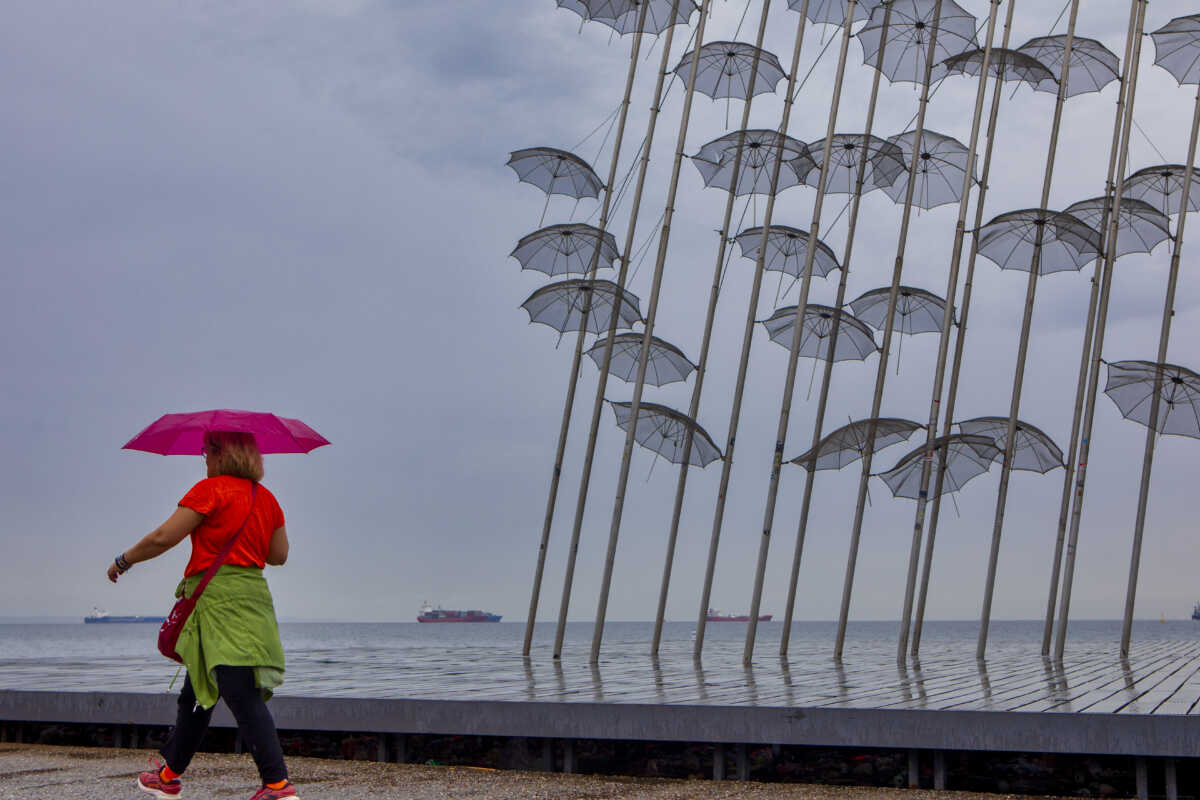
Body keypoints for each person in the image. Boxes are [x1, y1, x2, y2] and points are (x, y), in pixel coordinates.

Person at [107, 430, 299, 800]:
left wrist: (123, 560)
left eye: (207, 452)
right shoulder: (267, 498)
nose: (204, 459)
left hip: (216, 601)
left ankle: (277, 785)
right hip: (253, 598)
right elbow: (278, 555)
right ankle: (168, 775)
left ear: (220, 454)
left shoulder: (210, 491)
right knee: (197, 689)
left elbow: (164, 536)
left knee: (240, 691)